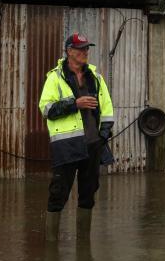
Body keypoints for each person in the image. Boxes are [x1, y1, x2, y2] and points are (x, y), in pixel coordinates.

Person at [39, 33, 115, 241]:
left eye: (87, 49)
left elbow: (107, 109)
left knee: (88, 194)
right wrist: (75, 104)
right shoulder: (55, 78)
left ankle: (83, 244)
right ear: (69, 51)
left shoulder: (96, 78)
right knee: (58, 193)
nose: (85, 52)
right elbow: (46, 109)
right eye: (80, 49)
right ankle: (51, 245)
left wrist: (103, 136)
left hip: (92, 145)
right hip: (66, 146)